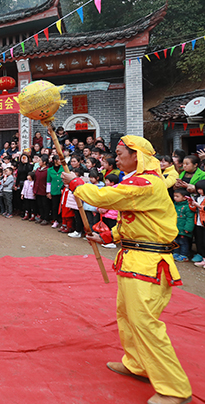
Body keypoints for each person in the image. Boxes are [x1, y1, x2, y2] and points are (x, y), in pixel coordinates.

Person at [61, 135, 192, 404]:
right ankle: (137, 364)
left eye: (121, 152)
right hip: (135, 258)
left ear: (137, 156)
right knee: (127, 316)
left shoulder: (144, 182)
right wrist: (110, 236)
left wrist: (76, 183)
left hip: (148, 263)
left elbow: (105, 197)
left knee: (144, 322)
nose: (116, 156)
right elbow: (136, 221)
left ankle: (174, 389)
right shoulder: (139, 182)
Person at [172, 189, 195, 262]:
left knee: (183, 242)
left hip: (183, 229)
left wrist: (188, 228)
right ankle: (176, 252)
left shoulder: (188, 207)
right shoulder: (175, 205)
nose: (175, 198)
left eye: (177, 196)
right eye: (174, 196)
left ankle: (184, 255)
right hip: (176, 227)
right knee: (176, 241)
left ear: (185, 198)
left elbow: (190, 218)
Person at [189, 179, 205, 267]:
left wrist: (198, 205)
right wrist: (191, 204)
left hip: (203, 222)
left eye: (201, 189)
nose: (199, 191)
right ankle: (203, 259)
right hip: (198, 222)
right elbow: (194, 209)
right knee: (200, 241)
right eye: (198, 189)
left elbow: (203, 208)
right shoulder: (198, 197)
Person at [47, 155, 64, 228]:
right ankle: (55, 220)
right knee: (54, 206)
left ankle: (63, 222)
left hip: (62, 190)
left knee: (63, 207)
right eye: (59, 160)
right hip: (53, 190)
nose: (60, 161)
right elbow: (48, 181)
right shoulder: (49, 170)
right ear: (55, 161)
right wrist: (48, 192)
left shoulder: (63, 168)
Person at [33, 154, 50, 225]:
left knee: (45, 205)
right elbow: (35, 180)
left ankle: (46, 218)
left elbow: (49, 181)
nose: (39, 162)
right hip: (37, 189)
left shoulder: (48, 170)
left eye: (40, 160)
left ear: (44, 162)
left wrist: (48, 191)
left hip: (44, 190)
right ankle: (41, 216)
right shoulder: (37, 169)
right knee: (39, 204)